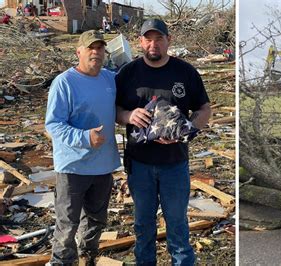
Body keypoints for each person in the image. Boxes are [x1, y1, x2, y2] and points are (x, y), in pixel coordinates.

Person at [115, 18, 211, 265]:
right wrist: (128, 115)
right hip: (140, 165)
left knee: (178, 226)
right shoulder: (128, 73)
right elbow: (114, 110)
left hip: (175, 164)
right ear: (140, 41)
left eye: (159, 39)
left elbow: (204, 109)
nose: (153, 44)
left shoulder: (185, 72)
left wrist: (186, 131)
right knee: (143, 227)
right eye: (148, 38)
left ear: (169, 40)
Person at [45, 30, 121, 265]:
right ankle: (63, 262)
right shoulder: (64, 82)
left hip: (103, 166)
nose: (96, 52)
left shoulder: (109, 78)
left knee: (96, 220)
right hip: (73, 167)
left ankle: (88, 257)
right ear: (78, 51)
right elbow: (53, 125)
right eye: (91, 48)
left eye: (100, 48)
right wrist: (85, 137)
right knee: (67, 225)